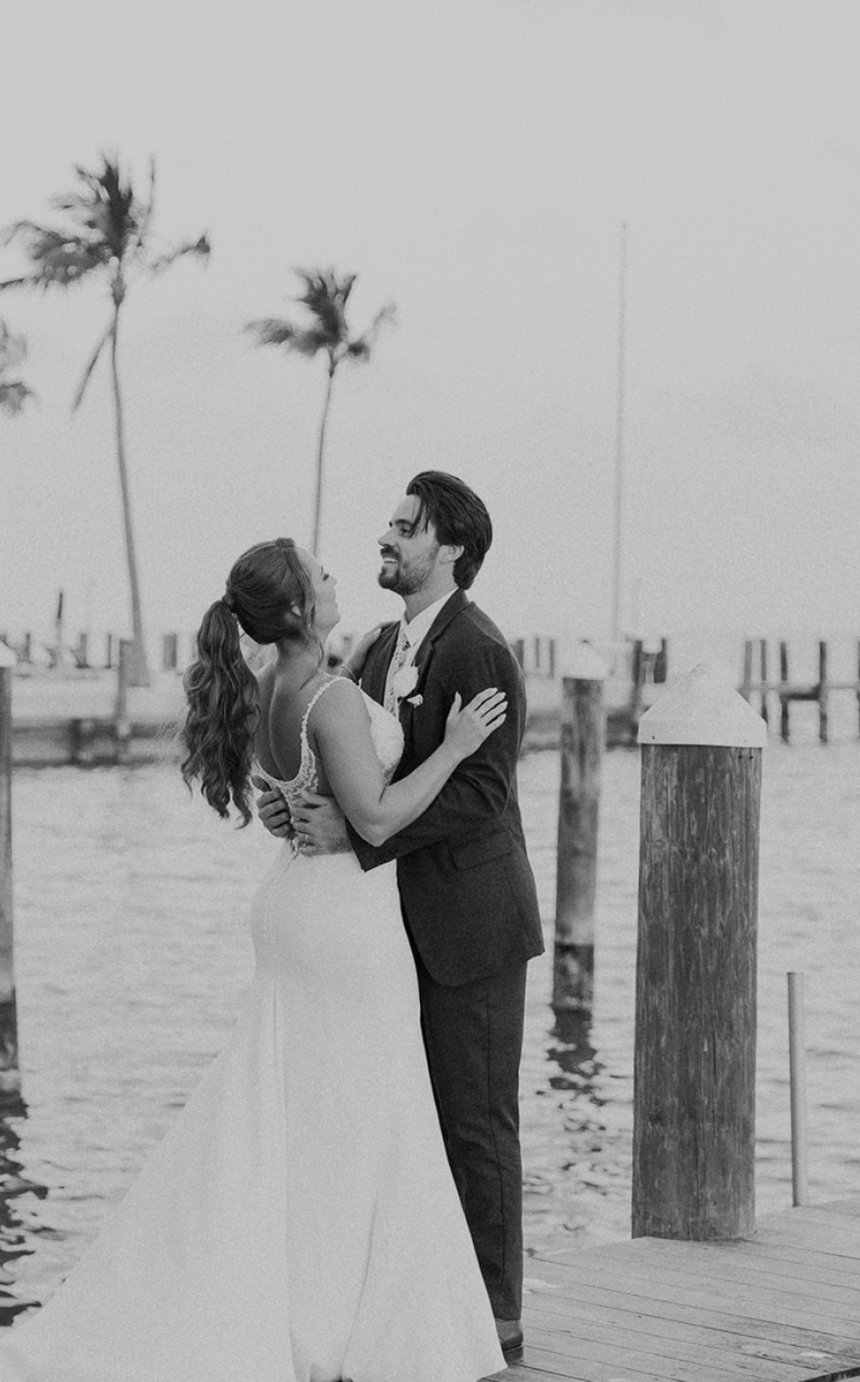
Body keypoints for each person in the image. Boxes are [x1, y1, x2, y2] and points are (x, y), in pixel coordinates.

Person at [0, 535, 508, 1382]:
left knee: (303, 1111)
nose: (336, 580)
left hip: (298, 905)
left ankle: (314, 1297)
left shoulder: (271, 685)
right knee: (365, 1111)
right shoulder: (327, 697)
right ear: (296, 609)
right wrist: (455, 746)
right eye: (322, 577)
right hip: (342, 924)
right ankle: (345, 1313)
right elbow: (380, 816)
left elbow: (300, 798)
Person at [261, 472, 544, 1367]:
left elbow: (484, 793)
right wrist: (299, 807)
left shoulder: (480, 648)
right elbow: (347, 763)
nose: (385, 539)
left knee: (474, 1118)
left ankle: (497, 1314)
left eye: (404, 528)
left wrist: (360, 833)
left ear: (450, 547)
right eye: (386, 524)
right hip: (390, 926)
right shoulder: (381, 645)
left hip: (471, 920)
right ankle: (417, 1301)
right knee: (405, 1121)